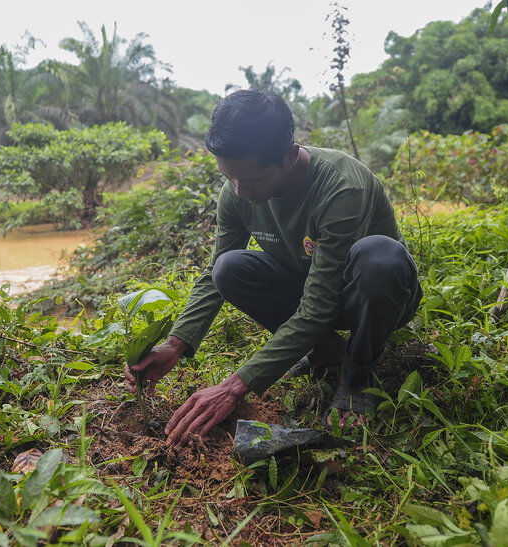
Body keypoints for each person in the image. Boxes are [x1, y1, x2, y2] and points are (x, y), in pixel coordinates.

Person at [124, 89, 422, 447]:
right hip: (311, 288)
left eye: (251, 180)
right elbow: (213, 277)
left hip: (375, 297)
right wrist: (175, 343)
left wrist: (234, 386)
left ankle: (358, 378)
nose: (239, 190)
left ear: (289, 155)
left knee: (379, 257)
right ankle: (328, 353)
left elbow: (319, 306)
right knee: (227, 268)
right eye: (228, 176)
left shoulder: (342, 187)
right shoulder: (236, 193)